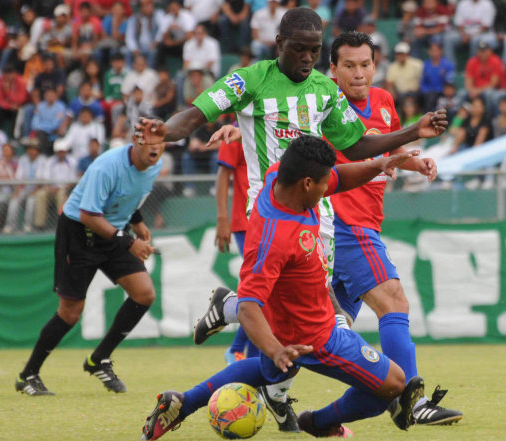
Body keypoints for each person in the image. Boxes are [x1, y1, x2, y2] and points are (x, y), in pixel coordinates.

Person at [135, 7, 447, 430]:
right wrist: (166, 132)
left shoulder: (324, 89)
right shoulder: (249, 80)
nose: (306, 59)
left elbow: (356, 148)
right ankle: (332, 397)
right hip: (273, 218)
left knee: (288, 343)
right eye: (299, 50)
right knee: (311, 328)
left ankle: (227, 367)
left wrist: (413, 131)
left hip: (319, 215)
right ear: (278, 44)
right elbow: (194, 115)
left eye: (314, 52)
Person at [140, 136, 425, 441]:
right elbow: (250, 307)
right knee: (395, 383)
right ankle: (318, 421)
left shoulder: (278, 176)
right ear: (305, 183)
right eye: (322, 181)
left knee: (270, 372)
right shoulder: (275, 238)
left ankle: (182, 403)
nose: (327, 186)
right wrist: (276, 350)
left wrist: (378, 164)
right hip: (316, 337)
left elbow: (338, 178)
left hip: (288, 317)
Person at [327, 31, 462, 425]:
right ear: (332, 69)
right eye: (348, 66)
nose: (358, 73)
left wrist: (412, 162)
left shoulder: (384, 101)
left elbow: (385, 149)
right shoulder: (323, 105)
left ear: (375, 65)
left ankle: (297, 406)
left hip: (359, 224)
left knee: (324, 331)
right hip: (343, 223)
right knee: (394, 301)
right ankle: (411, 400)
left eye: (365, 64)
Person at [15, 134, 164, 396]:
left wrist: (137, 219)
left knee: (144, 294)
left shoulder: (155, 165)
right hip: (79, 232)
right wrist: (129, 242)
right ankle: (28, 375)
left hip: (112, 231)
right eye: (148, 140)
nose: (155, 146)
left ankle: (99, 359)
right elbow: (88, 214)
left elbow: (131, 193)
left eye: (160, 140)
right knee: (70, 312)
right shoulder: (106, 165)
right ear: (135, 142)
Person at [214, 138, 259, 365]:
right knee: (262, 288)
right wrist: (223, 218)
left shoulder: (273, 121)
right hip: (246, 222)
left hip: (271, 219)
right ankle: (237, 349)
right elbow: (223, 175)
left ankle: (250, 360)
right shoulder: (237, 131)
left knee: (268, 291)